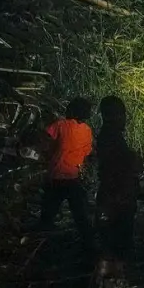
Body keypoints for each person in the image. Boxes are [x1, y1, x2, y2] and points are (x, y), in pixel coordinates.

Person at [93, 95, 144, 288]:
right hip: (117, 199)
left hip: (113, 198)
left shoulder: (108, 136)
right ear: (113, 115)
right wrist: (134, 161)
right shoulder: (111, 138)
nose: (125, 118)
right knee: (116, 243)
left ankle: (108, 285)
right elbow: (122, 167)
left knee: (111, 242)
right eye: (122, 114)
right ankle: (112, 286)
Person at [36, 97, 96, 254]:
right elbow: (87, 153)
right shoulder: (87, 130)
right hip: (73, 178)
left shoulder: (60, 125)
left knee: (47, 215)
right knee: (81, 216)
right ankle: (89, 248)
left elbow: (44, 141)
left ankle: (41, 248)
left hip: (56, 176)